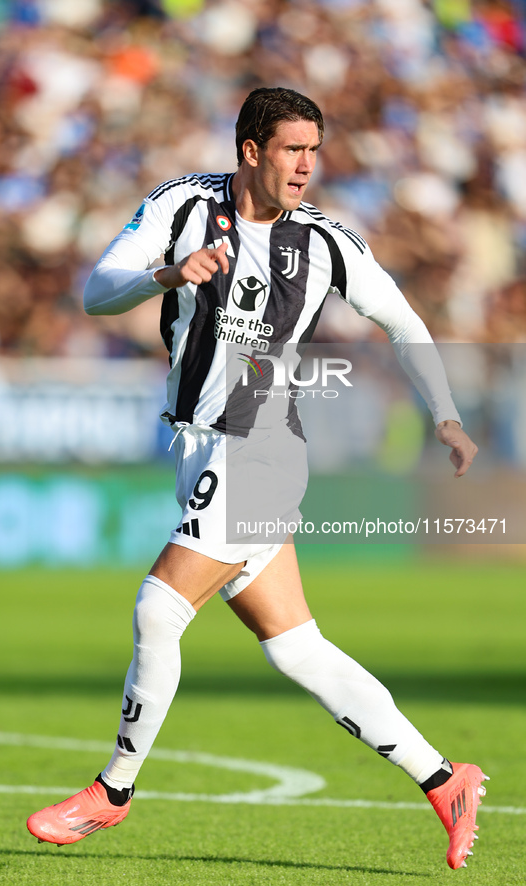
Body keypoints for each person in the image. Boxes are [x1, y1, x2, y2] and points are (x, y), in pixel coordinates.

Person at [26, 87, 487, 869]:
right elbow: (98, 291)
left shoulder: (326, 242)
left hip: (260, 443)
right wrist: (168, 276)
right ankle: (445, 779)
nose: (307, 165)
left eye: (314, 149)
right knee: (298, 648)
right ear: (249, 151)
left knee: (159, 609)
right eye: (291, 149)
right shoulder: (181, 206)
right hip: (196, 445)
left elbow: (403, 321)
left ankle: (114, 790)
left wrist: (443, 413)